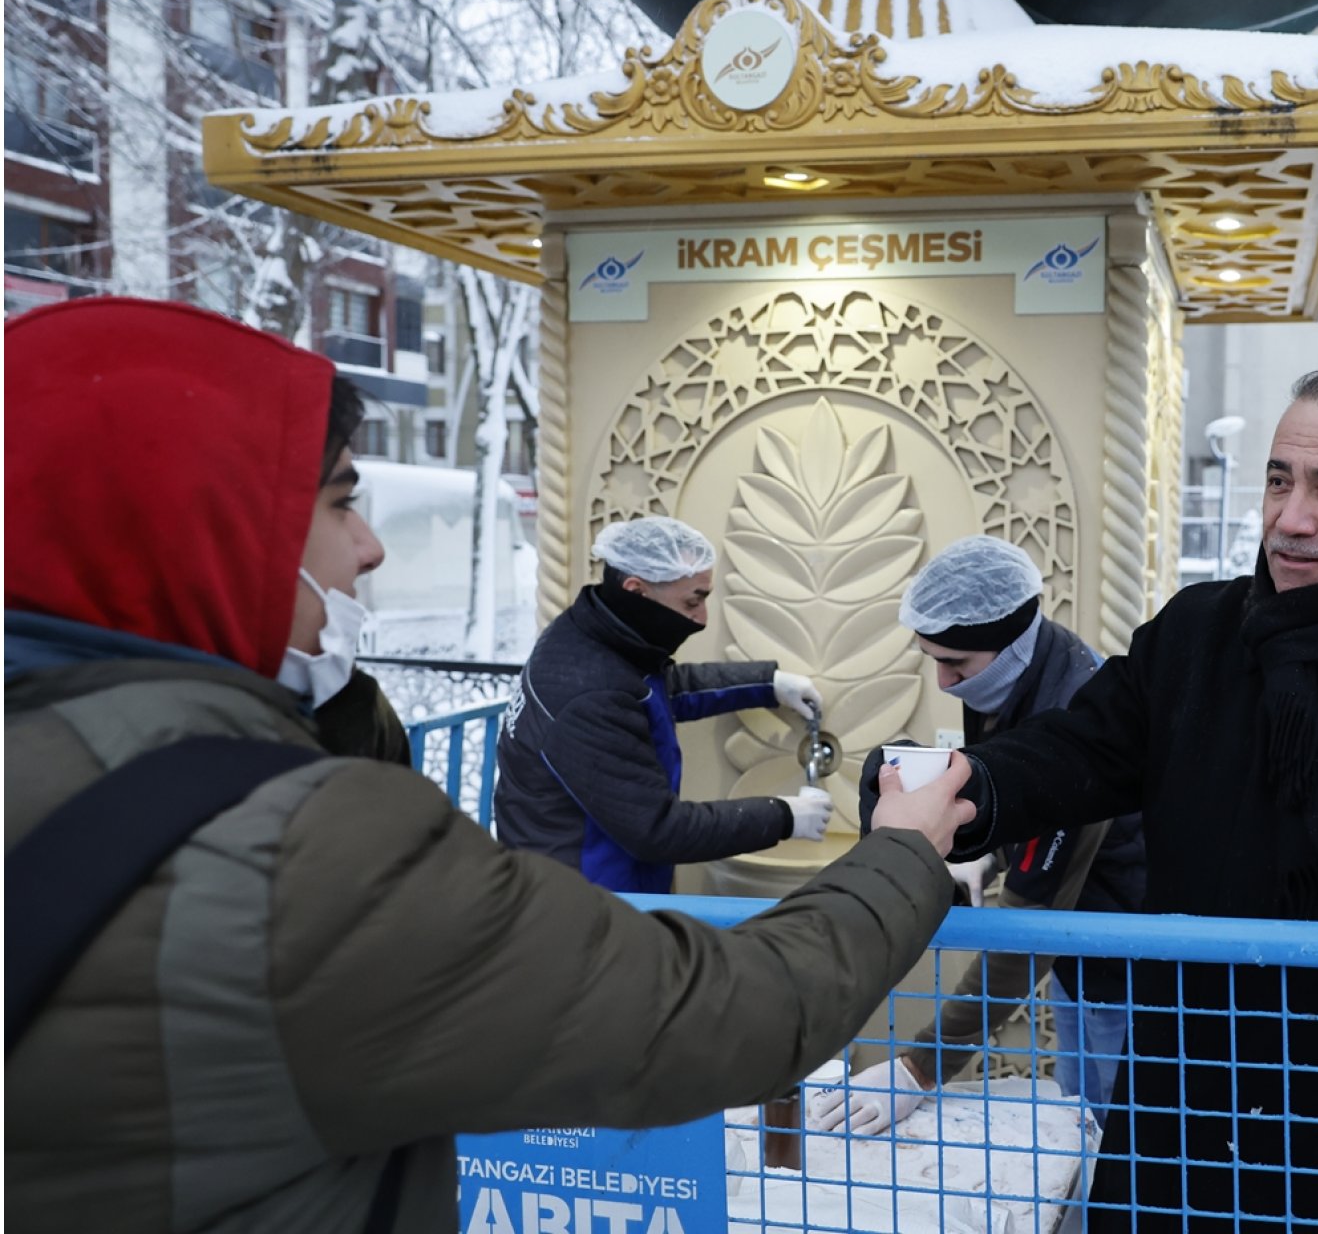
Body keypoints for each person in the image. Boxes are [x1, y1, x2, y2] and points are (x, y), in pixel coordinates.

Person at [4, 297, 972, 1229]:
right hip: (596, 904)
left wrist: (763, 679)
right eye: (341, 501)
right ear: (204, 530)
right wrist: (896, 849)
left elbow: (667, 689)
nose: (370, 548)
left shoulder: (71, 755)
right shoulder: (304, 850)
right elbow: (718, 1013)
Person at [863, 366, 1318, 1231]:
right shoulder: (1197, 639)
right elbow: (1079, 748)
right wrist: (964, 788)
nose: (1291, 517)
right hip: (1186, 1132)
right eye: (1280, 481)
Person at [807, 536, 1145, 1134]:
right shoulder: (1014, 676)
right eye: (933, 660)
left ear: (1011, 645)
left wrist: (921, 1066)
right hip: (1078, 960)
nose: (943, 683)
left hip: (1128, 970)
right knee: (1085, 1128)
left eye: (956, 665)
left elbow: (1028, 929)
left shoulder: (1074, 714)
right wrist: (986, 855)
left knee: (1126, 1143)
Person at [493, 515, 833, 892]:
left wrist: (767, 684)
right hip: (580, 898)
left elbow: (660, 691)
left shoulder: (593, 635)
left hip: (599, 877)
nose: (702, 618)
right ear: (637, 590)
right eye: (692, 601)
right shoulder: (589, 694)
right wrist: (784, 816)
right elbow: (658, 830)